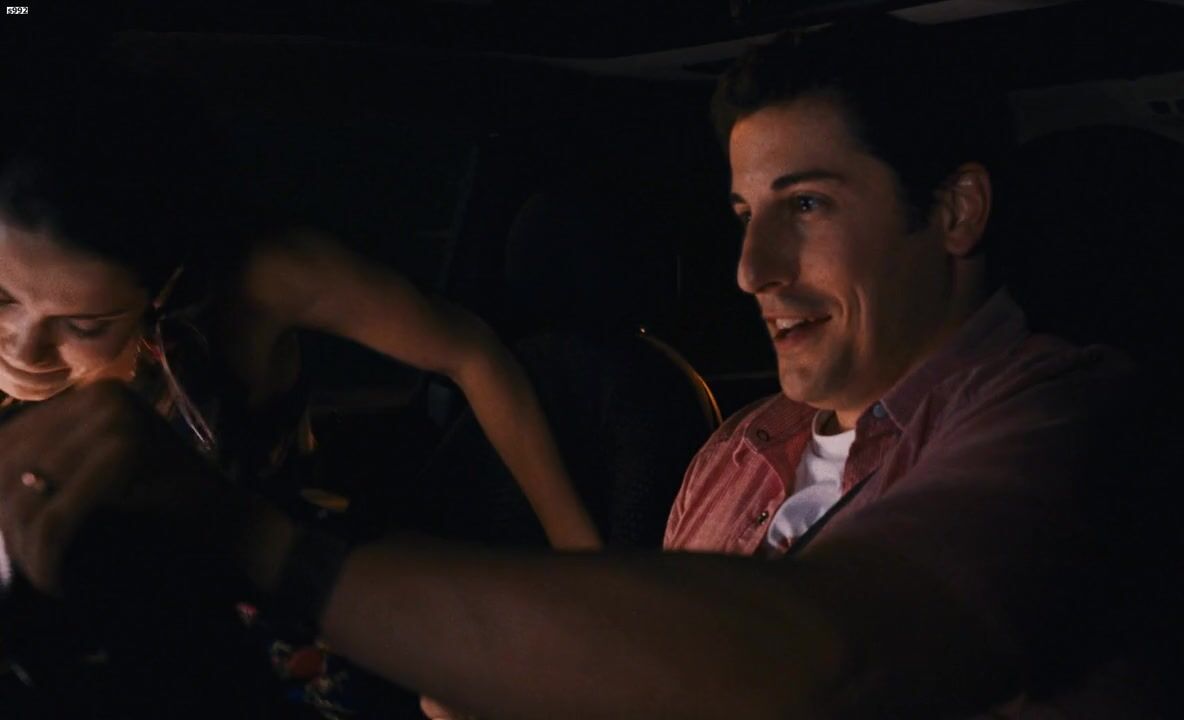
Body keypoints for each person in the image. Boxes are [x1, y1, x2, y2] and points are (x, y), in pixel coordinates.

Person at [0, 19, 1166, 720]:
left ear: (953, 212)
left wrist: (258, 546)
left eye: (805, 205)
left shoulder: (1069, 417)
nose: (749, 270)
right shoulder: (736, 449)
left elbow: (826, 663)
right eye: (740, 215)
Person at [0, 59, 600, 552]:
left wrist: (580, 555)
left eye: (84, 324)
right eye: (1, 296)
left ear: (163, 287)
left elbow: (470, 353)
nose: (23, 349)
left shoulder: (264, 278)